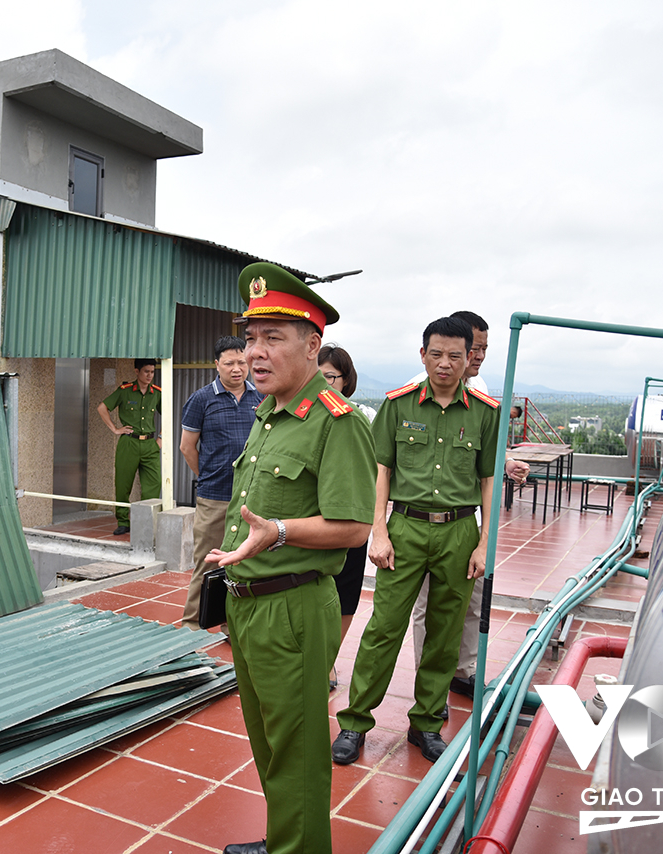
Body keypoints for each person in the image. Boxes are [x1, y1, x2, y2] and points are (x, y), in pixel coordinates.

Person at [209, 263, 377, 854]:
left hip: (293, 609)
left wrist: (278, 531)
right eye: (251, 337)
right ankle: (286, 838)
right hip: (248, 606)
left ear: (313, 344)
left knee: (298, 750)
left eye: (273, 337)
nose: (255, 351)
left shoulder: (337, 421)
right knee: (268, 742)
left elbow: (355, 526)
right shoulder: (270, 412)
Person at [333, 315, 499, 766]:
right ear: (422, 355)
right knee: (383, 628)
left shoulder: (486, 413)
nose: (445, 363)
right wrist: (379, 531)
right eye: (436, 354)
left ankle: (426, 725)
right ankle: (354, 723)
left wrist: (484, 544)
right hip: (404, 528)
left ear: (470, 358)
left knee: (444, 634)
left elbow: (488, 481)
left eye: (455, 355)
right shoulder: (398, 405)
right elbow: (381, 472)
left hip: (460, 532)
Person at [406, 311, 529, 709]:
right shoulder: (414, 394)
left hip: (465, 522)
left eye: (483, 350)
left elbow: (481, 450)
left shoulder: (481, 391)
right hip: (422, 522)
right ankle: (429, 682)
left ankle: (465, 669)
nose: (478, 357)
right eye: (473, 349)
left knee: (471, 598)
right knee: (428, 604)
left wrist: (505, 463)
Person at [179, 336, 264, 629]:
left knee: (244, 561)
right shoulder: (201, 399)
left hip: (251, 497)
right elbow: (187, 447)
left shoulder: (262, 398)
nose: (237, 369)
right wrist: (206, 475)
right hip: (214, 495)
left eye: (242, 362)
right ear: (217, 365)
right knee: (207, 560)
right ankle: (192, 624)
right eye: (229, 363)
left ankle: (232, 625)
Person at [317, 344, 373, 689]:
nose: (323, 384)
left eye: (330, 377)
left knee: (345, 591)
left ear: (345, 380)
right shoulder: (304, 414)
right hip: (314, 521)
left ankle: (328, 661)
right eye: (317, 377)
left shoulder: (362, 416)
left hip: (351, 518)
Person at [97, 359, 162, 536]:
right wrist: (115, 429)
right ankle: (124, 521)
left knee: (153, 485)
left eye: (152, 372)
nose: (150, 375)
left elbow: (169, 413)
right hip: (129, 443)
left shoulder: (156, 393)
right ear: (136, 371)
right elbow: (102, 407)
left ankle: (146, 522)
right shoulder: (124, 391)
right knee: (123, 484)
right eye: (146, 371)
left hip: (150, 444)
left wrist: (161, 439)